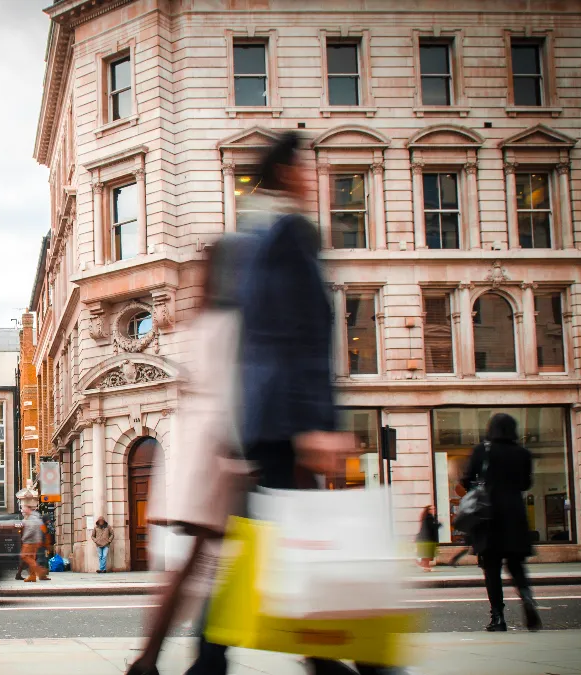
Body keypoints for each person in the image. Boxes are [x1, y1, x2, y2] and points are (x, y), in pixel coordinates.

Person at [185, 132, 392, 675]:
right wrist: (319, 423)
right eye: (306, 165)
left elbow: (254, 340)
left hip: (266, 417)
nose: (313, 175)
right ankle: (351, 660)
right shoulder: (293, 234)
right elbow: (298, 333)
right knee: (302, 539)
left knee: (268, 541)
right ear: (286, 172)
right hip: (291, 418)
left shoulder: (253, 238)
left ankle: (233, 657)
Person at [127, 240, 248, 675]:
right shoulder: (234, 322)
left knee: (199, 566)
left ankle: (169, 660)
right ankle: (187, 660)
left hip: (198, 452)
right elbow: (234, 395)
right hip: (220, 454)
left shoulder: (206, 320)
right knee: (210, 566)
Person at [461, 413, 541, 633]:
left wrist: (481, 485)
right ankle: (526, 598)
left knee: (492, 569)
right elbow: (526, 484)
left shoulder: (483, 451)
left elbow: (466, 479)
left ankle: (498, 617)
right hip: (515, 515)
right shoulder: (523, 453)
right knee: (516, 565)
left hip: (489, 517)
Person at [20, 504, 49, 582]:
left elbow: (31, 530)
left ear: (28, 509)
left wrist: (23, 538)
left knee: (24, 556)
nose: (23, 510)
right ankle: (32, 576)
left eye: (24, 508)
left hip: (30, 541)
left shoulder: (32, 518)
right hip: (35, 541)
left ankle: (40, 571)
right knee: (31, 558)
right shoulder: (34, 517)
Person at [416, 506, 441, 572]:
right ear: (429, 510)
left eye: (434, 509)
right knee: (428, 555)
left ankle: (426, 567)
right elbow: (432, 527)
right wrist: (439, 524)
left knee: (427, 555)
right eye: (433, 509)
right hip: (427, 539)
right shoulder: (429, 518)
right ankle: (425, 566)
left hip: (425, 539)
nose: (434, 510)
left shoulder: (427, 517)